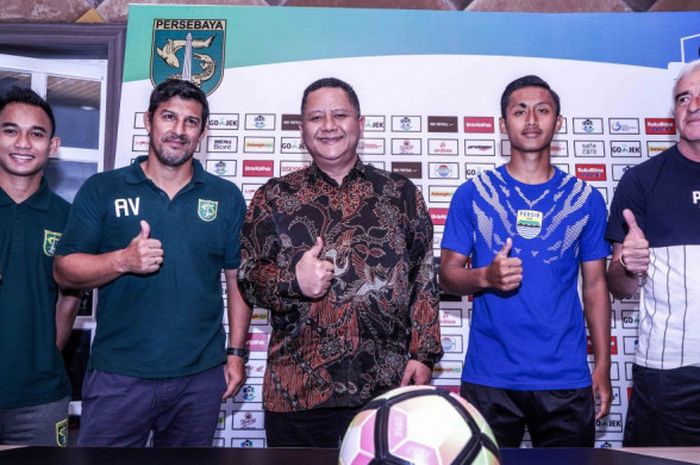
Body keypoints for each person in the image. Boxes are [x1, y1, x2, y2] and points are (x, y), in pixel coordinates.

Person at [238, 77, 443, 448]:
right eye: (316, 117)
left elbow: (423, 279)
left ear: (360, 124)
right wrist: (292, 282)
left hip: (385, 388)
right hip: (298, 391)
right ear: (302, 130)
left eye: (340, 115)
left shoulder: (401, 195)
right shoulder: (274, 196)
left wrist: (424, 353)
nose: (329, 125)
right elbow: (248, 277)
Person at [53, 79, 251, 447]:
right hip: (119, 375)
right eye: (169, 117)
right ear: (148, 120)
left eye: (191, 122)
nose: (178, 131)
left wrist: (236, 353)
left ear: (203, 132)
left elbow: (237, 279)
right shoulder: (103, 189)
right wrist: (121, 261)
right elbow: (63, 269)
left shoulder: (225, 197)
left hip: (199, 377)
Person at [439, 75, 612, 447]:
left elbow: (596, 287)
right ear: (503, 125)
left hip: (565, 377)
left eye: (542, 110)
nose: (531, 120)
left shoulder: (586, 199)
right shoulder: (473, 194)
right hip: (490, 377)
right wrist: (485, 276)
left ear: (558, 122)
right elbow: (447, 277)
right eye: (520, 111)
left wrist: (602, 364)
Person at [606, 60, 700, 446]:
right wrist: (628, 264)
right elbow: (619, 287)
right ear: (674, 111)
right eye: (684, 98)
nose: (693, 105)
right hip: (667, 376)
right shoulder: (641, 180)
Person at [0, 87, 80, 446]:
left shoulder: (69, 218)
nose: (23, 142)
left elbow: (68, 299)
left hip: (40, 397)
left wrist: (45, 357)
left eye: (36, 133)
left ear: (53, 145)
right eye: (10, 130)